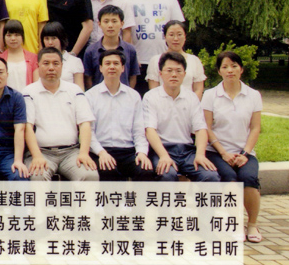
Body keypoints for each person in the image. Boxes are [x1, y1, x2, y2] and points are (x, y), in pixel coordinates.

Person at [202, 51, 264, 243]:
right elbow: (206, 127)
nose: (230, 70)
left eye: (234, 66)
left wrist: (245, 153)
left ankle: (252, 225)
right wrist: (223, 153)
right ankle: (235, 224)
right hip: (216, 152)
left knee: (249, 178)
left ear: (241, 69)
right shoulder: (210, 95)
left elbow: (255, 127)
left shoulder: (253, 95)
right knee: (229, 178)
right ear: (219, 71)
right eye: (225, 67)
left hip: (244, 152)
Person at [23, 48, 99, 181]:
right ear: (38, 65)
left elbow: (85, 124)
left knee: (89, 176)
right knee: (37, 176)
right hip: (41, 152)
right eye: (46, 63)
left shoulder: (74, 90)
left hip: (71, 152)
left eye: (56, 63)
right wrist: (37, 156)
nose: (51, 68)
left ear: (62, 66)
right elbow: (27, 127)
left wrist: (84, 153)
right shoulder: (28, 92)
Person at [143, 52, 220, 182]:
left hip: (187, 151)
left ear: (184, 74)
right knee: (166, 174)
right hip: (161, 149)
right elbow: (150, 130)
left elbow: (201, 129)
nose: (174, 74)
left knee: (210, 176)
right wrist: (164, 156)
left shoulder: (191, 97)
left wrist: (200, 155)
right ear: (160, 74)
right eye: (169, 70)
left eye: (178, 71)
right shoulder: (151, 97)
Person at [85, 50, 155, 182]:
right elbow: (89, 132)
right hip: (101, 150)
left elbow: (139, 131)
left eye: (116, 63)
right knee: (108, 171)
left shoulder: (133, 96)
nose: (112, 67)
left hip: (128, 151)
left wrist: (141, 153)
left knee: (145, 170)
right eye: (107, 63)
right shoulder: (90, 96)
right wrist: (101, 153)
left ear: (123, 68)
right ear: (100, 68)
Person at [124, 0, 185, 95]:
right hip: (139, 61)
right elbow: (126, 31)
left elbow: (178, 29)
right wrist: (133, 57)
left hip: (165, 60)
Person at [82, 5, 140, 89]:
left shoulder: (130, 50)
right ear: (99, 24)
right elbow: (88, 78)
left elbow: (133, 76)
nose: (110, 25)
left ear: (122, 24)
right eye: (106, 21)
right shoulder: (91, 50)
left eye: (114, 21)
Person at [146, 20, 206, 100]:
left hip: (188, 105)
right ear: (165, 36)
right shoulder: (155, 60)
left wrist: (191, 104)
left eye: (179, 34)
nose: (176, 39)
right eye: (171, 35)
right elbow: (153, 90)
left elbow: (198, 89)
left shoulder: (194, 61)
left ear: (185, 36)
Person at [33, 22, 85, 89]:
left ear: (61, 39)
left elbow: (80, 88)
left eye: (54, 38)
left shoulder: (75, 61)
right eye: (47, 39)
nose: (50, 43)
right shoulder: (39, 60)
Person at [0, 19, 38, 92]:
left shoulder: (33, 58)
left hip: (28, 97)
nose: (13, 39)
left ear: (22, 36)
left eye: (17, 35)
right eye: (9, 35)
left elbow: (37, 84)